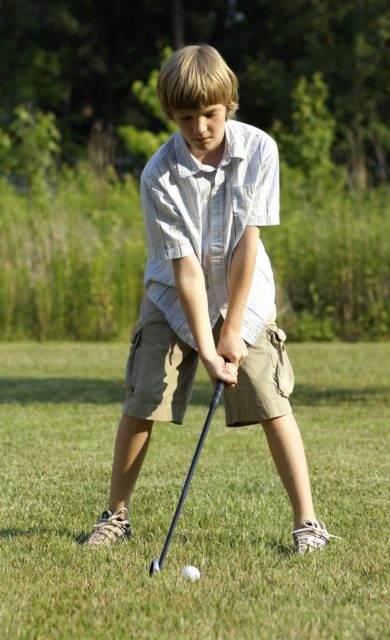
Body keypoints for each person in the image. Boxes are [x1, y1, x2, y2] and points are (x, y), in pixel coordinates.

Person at [83, 44, 339, 553]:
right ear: (169, 114)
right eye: (185, 117)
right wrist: (207, 345)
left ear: (230, 104)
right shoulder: (158, 174)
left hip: (246, 291)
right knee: (142, 399)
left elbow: (249, 242)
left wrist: (233, 328)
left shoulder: (261, 150)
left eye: (210, 114)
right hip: (172, 296)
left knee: (271, 400)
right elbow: (186, 270)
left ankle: (307, 523)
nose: (200, 126)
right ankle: (115, 516)